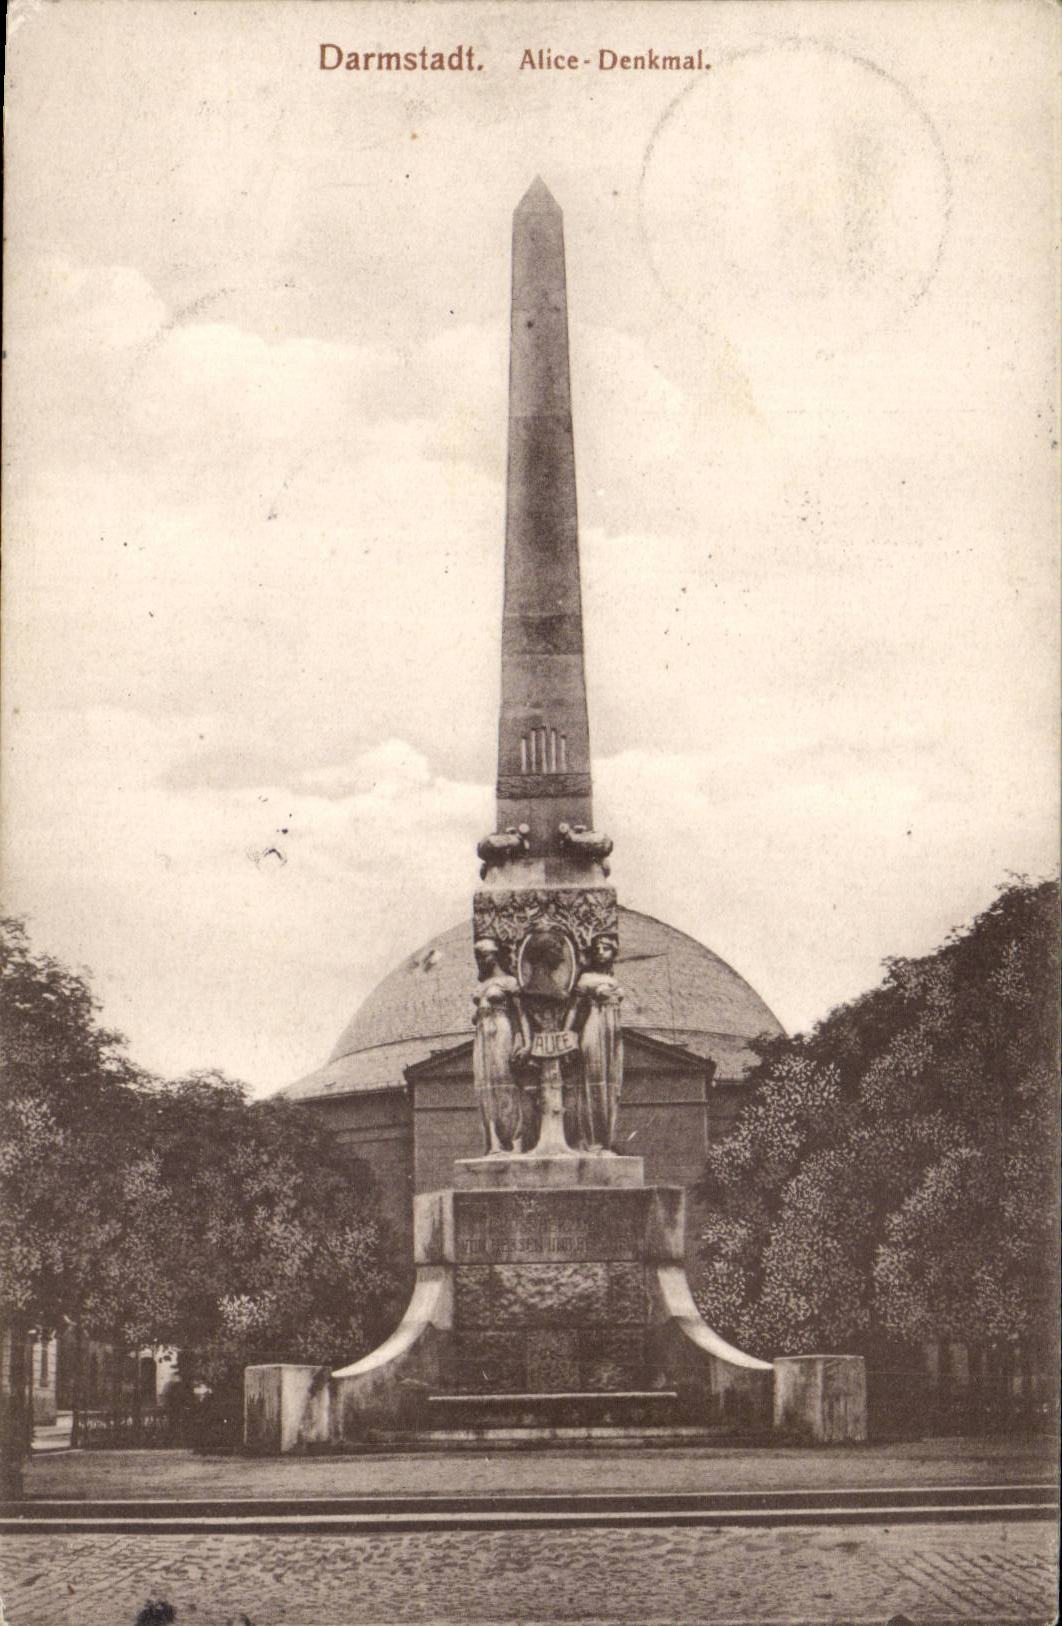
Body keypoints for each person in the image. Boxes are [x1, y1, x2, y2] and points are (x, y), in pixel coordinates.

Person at [471, 938, 527, 1153]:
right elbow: (475, 1017)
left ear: (496, 955)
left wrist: (525, 1042)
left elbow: (521, 1015)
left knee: (505, 1082)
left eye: (485, 955)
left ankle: (515, 1142)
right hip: (482, 1035)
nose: (481, 960)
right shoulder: (481, 986)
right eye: (478, 956)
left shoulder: (510, 982)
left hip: (503, 1031)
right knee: (484, 1086)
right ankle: (494, 1143)